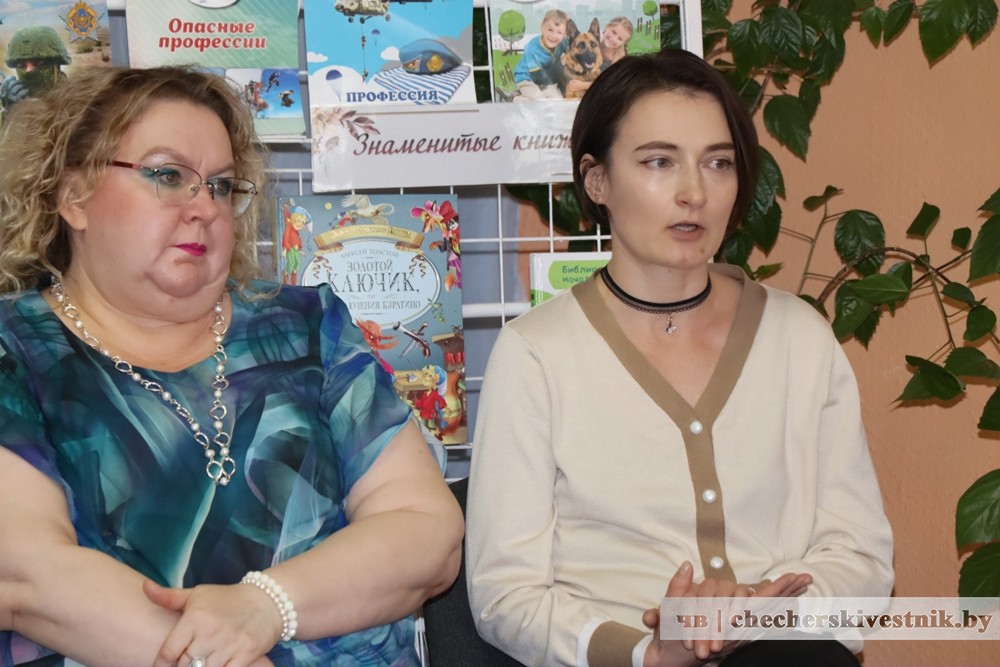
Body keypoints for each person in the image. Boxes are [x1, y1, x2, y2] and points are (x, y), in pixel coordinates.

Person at [0, 65, 463, 667]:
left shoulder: (308, 328)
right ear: (74, 197)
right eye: (168, 175)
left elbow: (426, 531)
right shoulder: (16, 350)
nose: (203, 207)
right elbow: (26, 572)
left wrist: (268, 605)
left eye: (220, 186)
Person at [466, 48, 893, 667]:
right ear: (597, 181)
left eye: (718, 163)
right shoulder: (536, 354)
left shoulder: (799, 337)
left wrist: (765, 613)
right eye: (659, 162)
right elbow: (506, 597)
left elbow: (861, 556)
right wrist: (647, 653)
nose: (694, 192)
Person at [512, 9, 568, 101]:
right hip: (527, 78)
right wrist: (550, 87)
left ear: (565, 34)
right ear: (542, 27)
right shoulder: (532, 47)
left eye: (559, 32)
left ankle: (531, 95)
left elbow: (573, 53)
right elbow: (537, 75)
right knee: (539, 99)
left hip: (546, 78)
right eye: (550, 30)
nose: (554, 36)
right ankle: (518, 98)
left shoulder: (563, 42)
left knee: (558, 100)